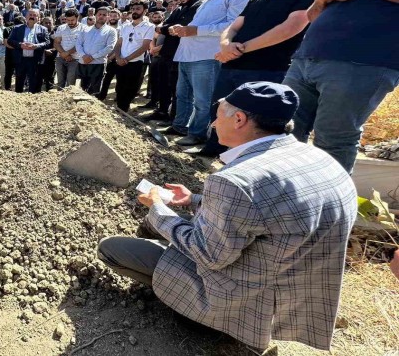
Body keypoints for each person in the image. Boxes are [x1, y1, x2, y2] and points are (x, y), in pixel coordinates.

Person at [98, 82, 357, 353]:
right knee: (176, 225)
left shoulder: (236, 180)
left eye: (218, 115)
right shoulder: (319, 159)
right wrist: (194, 200)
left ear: (239, 119)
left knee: (111, 249)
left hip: (243, 299)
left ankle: (208, 321)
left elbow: (210, 255)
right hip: (295, 297)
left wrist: (157, 208)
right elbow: (271, 213)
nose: (212, 123)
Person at [283, 0, 399, 173]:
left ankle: (326, 200)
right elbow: (314, 13)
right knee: (283, 132)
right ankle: (281, 193)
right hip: (307, 57)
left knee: (332, 141)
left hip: (364, 61)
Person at [191, 0, 330, 157]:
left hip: (266, 69)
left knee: (252, 122)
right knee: (221, 111)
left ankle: (243, 160)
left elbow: (291, 27)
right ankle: (213, 151)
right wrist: (226, 44)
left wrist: (239, 49)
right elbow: (234, 26)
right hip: (233, 64)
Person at [170, 0, 254, 147]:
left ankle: (198, 134)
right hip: (188, 54)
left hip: (207, 56)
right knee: (183, 95)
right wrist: (186, 29)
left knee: (203, 99)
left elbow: (234, 25)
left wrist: (196, 30)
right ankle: (180, 126)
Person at [144, 0, 204, 123]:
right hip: (168, 52)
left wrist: (165, 28)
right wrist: (167, 28)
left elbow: (181, 26)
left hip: (181, 53)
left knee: (177, 89)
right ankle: (162, 111)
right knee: (163, 84)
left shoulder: (199, 7)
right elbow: (167, 24)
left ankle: (175, 119)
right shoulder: (179, 8)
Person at [111, 0, 154, 111]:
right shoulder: (125, 26)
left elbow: (144, 47)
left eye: (138, 9)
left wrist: (126, 59)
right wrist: (118, 57)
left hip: (135, 62)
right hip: (121, 61)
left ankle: (124, 110)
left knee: (130, 88)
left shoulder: (149, 26)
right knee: (119, 87)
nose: (135, 11)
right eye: (133, 9)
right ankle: (120, 109)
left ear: (145, 11)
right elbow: (119, 43)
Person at [6, 9, 50, 93]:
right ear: (26, 17)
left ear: (39, 18)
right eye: (30, 15)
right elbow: (10, 41)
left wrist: (36, 46)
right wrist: (20, 45)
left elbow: (47, 43)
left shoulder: (43, 29)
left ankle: (33, 98)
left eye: (34, 15)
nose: (32, 17)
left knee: (34, 82)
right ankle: (18, 98)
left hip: (35, 60)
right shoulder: (17, 28)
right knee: (19, 81)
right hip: (21, 59)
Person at [75, 7, 117, 96]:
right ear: (95, 15)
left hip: (98, 64)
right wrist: (83, 55)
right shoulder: (85, 29)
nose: (101, 16)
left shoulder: (111, 31)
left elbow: (110, 47)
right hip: (83, 62)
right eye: (99, 14)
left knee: (94, 91)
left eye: (104, 15)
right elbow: (78, 44)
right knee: (80, 88)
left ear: (108, 17)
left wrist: (92, 57)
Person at [53, 9, 83, 89]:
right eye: (68, 20)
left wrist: (67, 53)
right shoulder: (61, 28)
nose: (70, 22)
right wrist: (65, 54)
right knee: (60, 82)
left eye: (72, 20)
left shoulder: (83, 29)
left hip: (75, 59)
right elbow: (56, 43)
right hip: (60, 57)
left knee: (71, 81)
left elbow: (81, 44)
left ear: (77, 18)